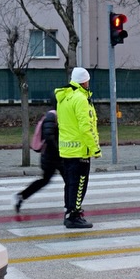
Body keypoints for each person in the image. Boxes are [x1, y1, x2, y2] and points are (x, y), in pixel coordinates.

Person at [55, 67, 101, 229]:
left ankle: (69, 211)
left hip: (66, 149)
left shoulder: (64, 98)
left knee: (70, 184)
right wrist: (95, 148)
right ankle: (74, 215)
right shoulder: (80, 99)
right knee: (80, 183)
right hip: (80, 149)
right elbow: (86, 126)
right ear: (84, 81)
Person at [13, 109, 58, 213]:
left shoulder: (54, 115)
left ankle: (21, 196)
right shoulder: (53, 116)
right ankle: (71, 208)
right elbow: (49, 137)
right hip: (52, 156)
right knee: (68, 181)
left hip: (52, 155)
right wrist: (59, 150)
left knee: (45, 180)